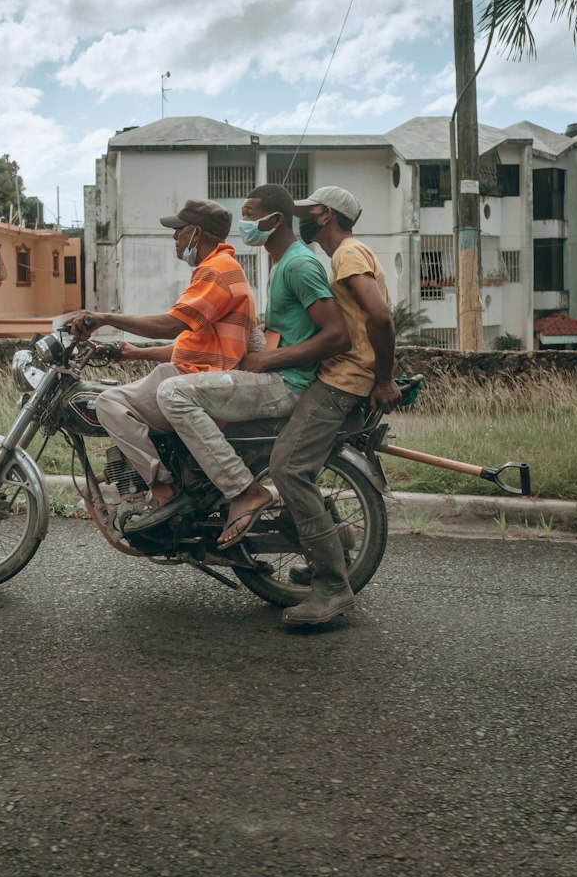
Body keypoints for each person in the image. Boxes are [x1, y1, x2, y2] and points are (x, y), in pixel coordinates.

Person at [149, 184, 351, 546]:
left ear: (274, 220)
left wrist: (270, 359)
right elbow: (282, 331)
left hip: (286, 383)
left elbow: (337, 335)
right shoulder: (280, 263)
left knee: (173, 394)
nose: (243, 223)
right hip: (275, 375)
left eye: (248, 214)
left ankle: (243, 491)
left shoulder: (299, 265)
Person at [70, 199, 259, 521]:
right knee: (129, 393)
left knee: (108, 404)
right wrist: (131, 353)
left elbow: (172, 325)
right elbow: (194, 343)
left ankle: (160, 486)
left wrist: (103, 318)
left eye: (178, 231)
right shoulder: (219, 268)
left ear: (196, 233)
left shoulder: (218, 271)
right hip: (192, 373)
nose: (174, 238)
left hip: (197, 383)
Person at [270, 184, 400, 631]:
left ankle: (331, 585)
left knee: (287, 467)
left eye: (307, 212)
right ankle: (329, 557)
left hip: (343, 381)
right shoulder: (344, 256)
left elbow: (380, 317)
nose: (301, 219)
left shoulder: (346, 254)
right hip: (343, 376)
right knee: (300, 463)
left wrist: (382, 378)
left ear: (324, 215)